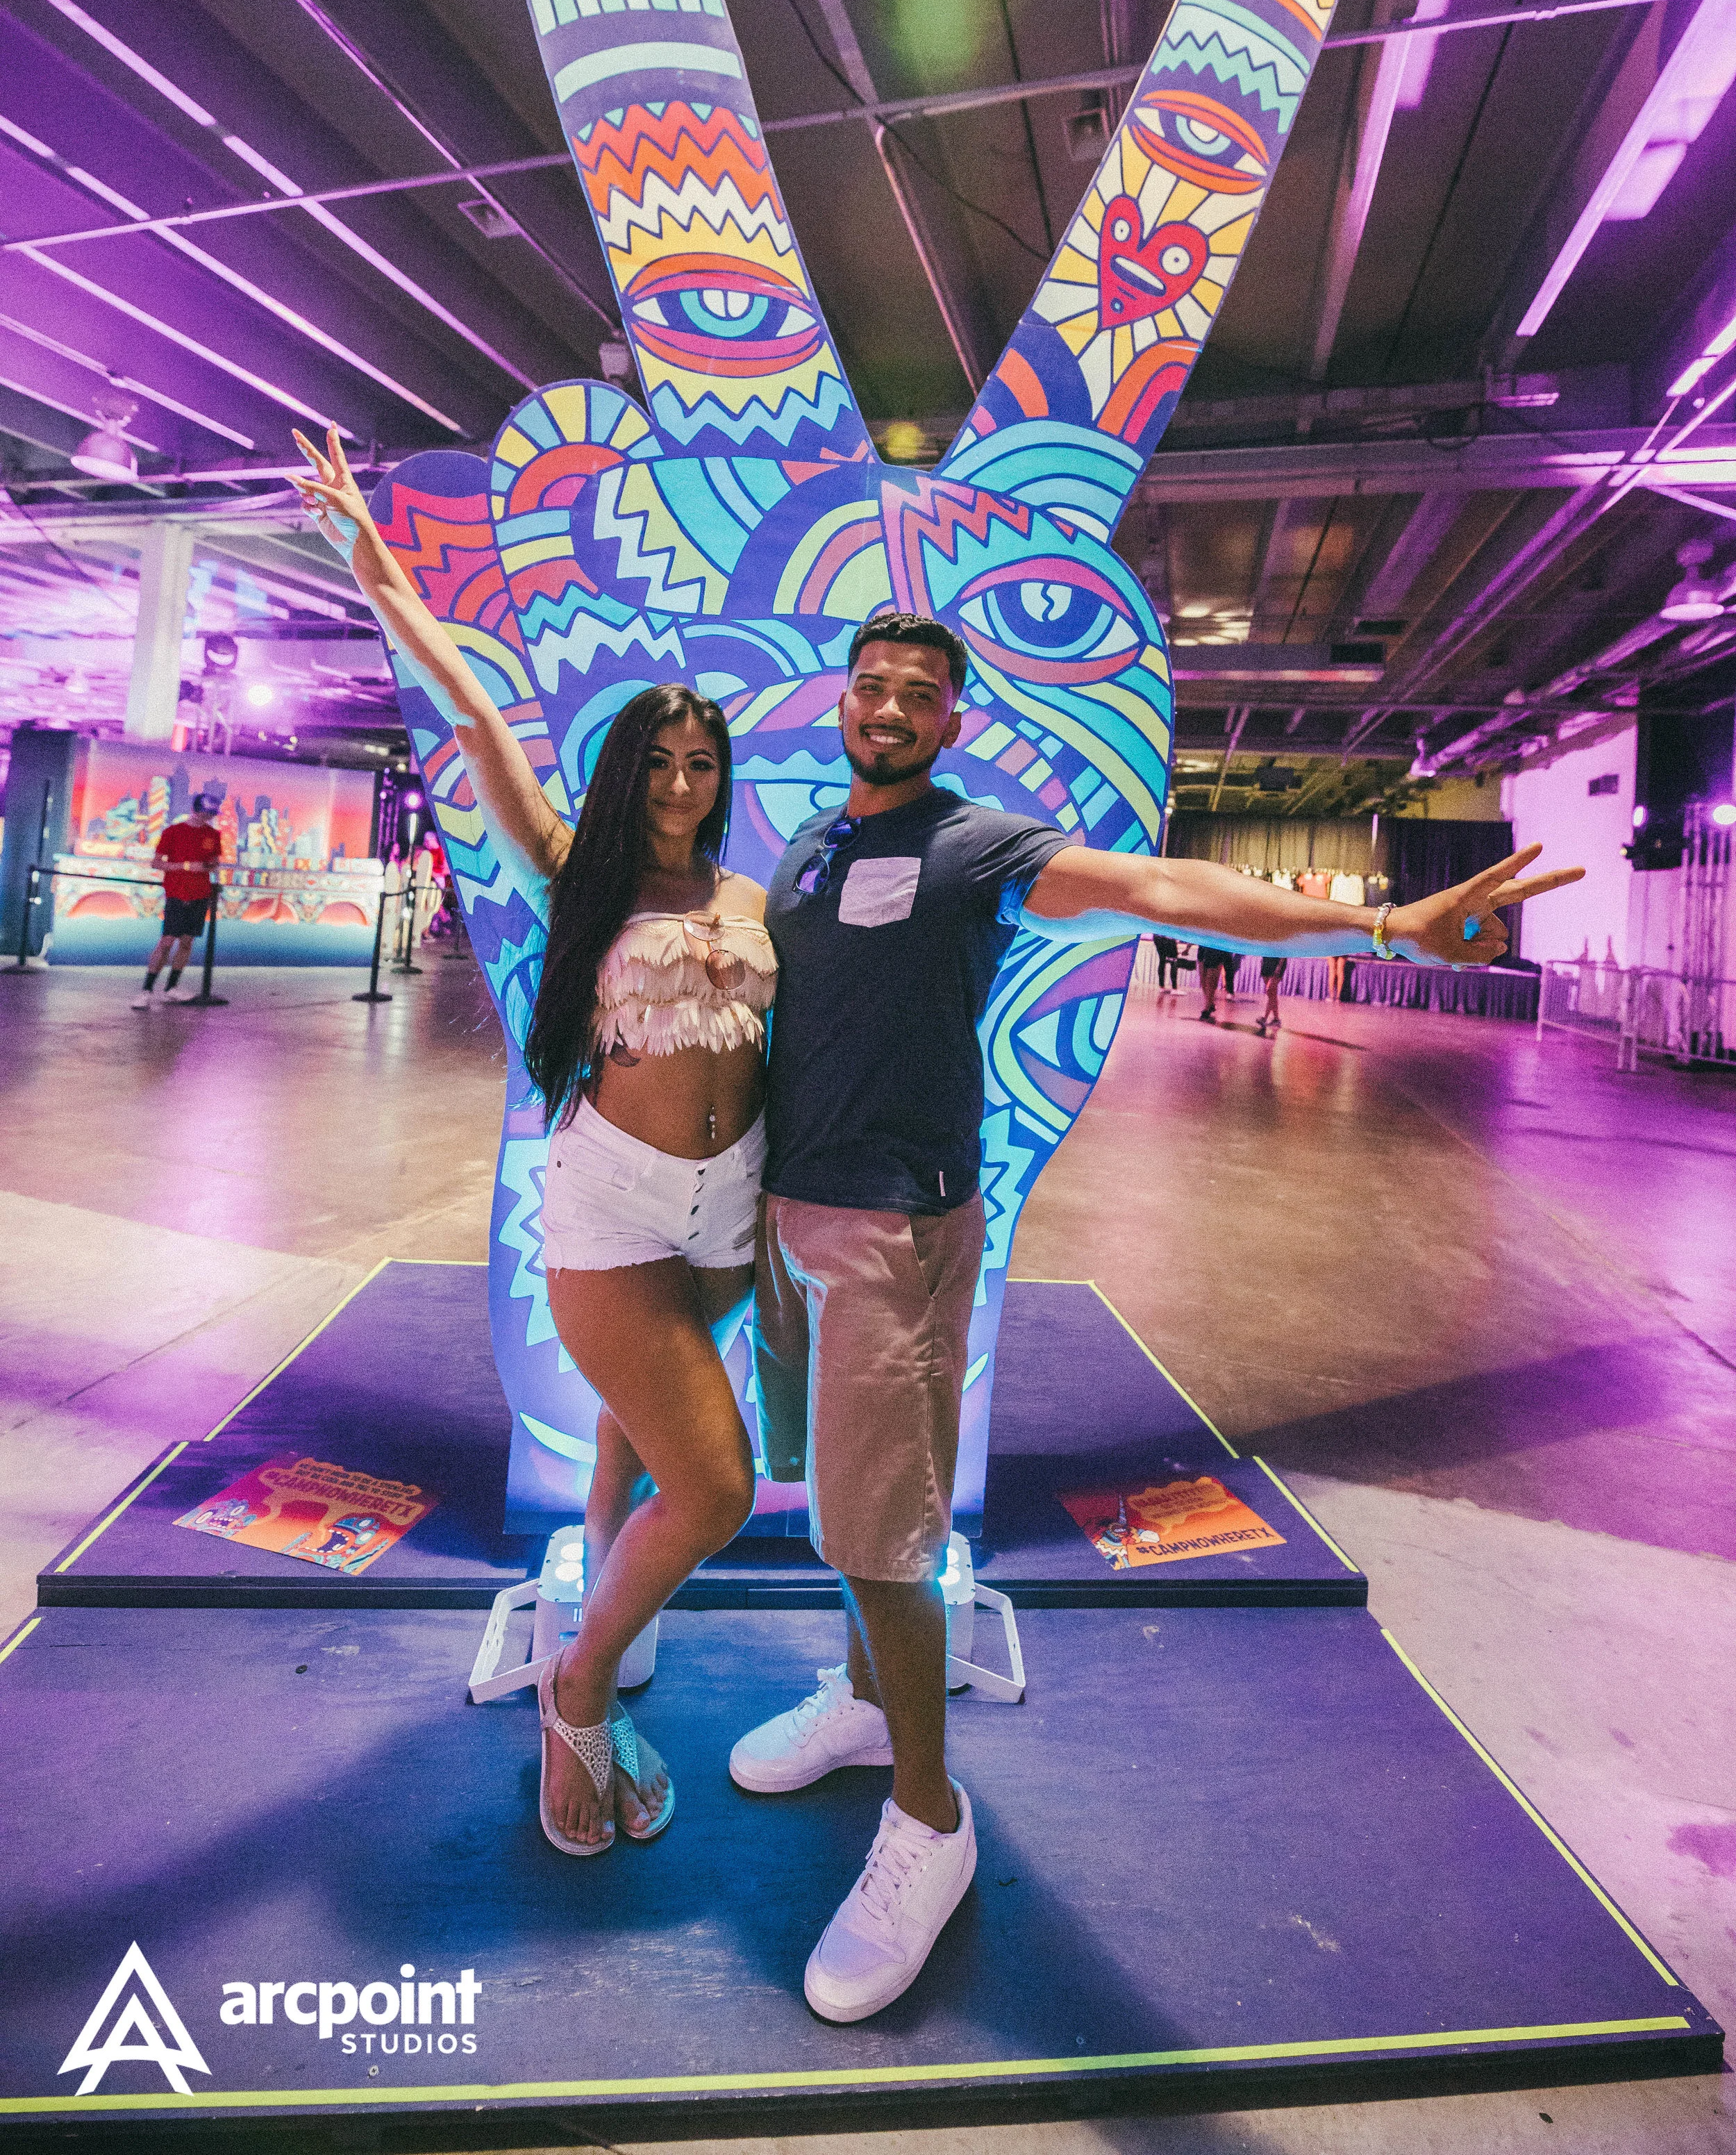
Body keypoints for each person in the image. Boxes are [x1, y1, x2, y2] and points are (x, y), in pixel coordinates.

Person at [735, 610, 1581, 2024]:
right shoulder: (814, 844)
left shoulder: (975, 846)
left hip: (897, 1223)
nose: (886, 706)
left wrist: (1375, 921)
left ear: (952, 722)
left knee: (883, 1529)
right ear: (846, 699)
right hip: (794, 1216)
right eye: (871, 685)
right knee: (839, 1495)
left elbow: (1164, 886)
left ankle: (928, 1823)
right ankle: (864, 1703)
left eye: (917, 695)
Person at [293, 426, 773, 1860]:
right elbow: (471, 702)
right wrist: (372, 561)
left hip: (729, 1216)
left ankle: (598, 1633)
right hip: (616, 1204)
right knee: (722, 1484)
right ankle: (573, 1693)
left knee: (634, 1438)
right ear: (630, 767)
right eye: (662, 760)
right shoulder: (575, 868)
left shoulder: (755, 894)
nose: (681, 782)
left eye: (702, 762)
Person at [132, 794, 224, 1006]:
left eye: (211, 814)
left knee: (187, 942)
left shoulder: (213, 835)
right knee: (166, 942)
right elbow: (156, 863)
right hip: (177, 893)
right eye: (206, 813)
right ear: (195, 809)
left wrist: (209, 866)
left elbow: (214, 862)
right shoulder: (172, 832)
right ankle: (146, 990)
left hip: (201, 894)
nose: (208, 817)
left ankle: (171, 988)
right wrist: (185, 866)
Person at [1195, 942, 1236, 1022]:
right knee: (1203, 979)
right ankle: (1210, 1004)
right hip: (1203, 946)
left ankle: (1207, 1008)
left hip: (1216, 948)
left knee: (1211, 979)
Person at [1255, 953, 1285, 1035]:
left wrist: (1279, 966)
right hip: (1266, 961)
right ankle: (1276, 1019)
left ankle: (1265, 1019)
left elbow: (1285, 950)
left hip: (1277, 963)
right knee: (1272, 993)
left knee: (1270, 990)